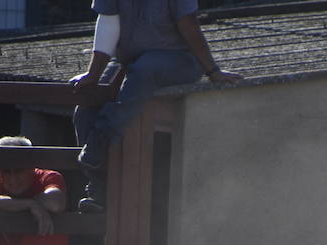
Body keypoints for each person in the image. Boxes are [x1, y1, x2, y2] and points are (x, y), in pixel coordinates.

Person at [70, 0, 241, 213]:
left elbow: (189, 24)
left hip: (178, 59)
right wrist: (93, 75)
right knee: (87, 103)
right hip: (130, 61)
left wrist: (212, 70)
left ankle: (100, 140)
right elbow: (108, 24)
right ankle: (98, 189)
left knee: (144, 71)